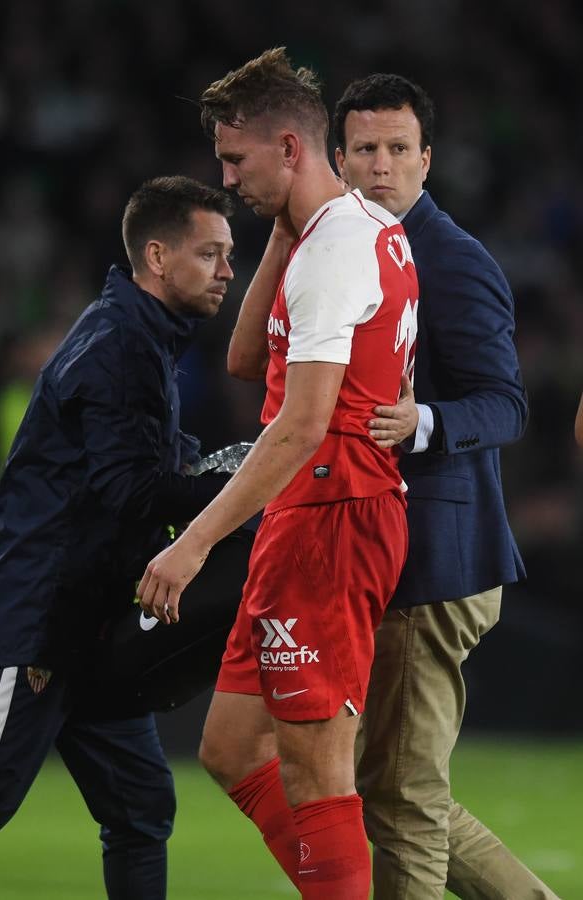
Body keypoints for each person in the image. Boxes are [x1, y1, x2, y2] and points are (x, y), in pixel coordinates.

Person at [137, 48, 418, 899]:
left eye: (236, 160)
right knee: (228, 747)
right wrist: (286, 230)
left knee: (317, 773)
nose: (224, 180)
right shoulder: (339, 236)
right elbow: (244, 356)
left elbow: (298, 427)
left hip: (333, 517)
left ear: (290, 149)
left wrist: (191, 545)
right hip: (306, 516)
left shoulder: (338, 251)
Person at [333, 74, 558, 899]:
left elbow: (506, 405)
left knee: (401, 793)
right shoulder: (346, 251)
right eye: (366, 149)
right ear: (339, 159)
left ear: (427, 162)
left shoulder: (453, 260)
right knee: (390, 788)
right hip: (389, 556)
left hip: (438, 560)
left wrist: (419, 420)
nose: (381, 166)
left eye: (398, 149)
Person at [0, 175, 235, 900]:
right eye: (211, 253)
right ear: (158, 256)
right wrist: (243, 492)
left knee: (141, 808)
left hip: (88, 626)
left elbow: (132, 477)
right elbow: (130, 491)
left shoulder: (139, 339)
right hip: (35, 628)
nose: (227, 271)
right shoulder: (119, 347)